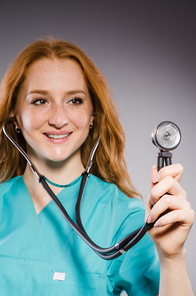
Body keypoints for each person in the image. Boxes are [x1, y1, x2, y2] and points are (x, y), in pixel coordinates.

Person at [0, 38, 194, 296]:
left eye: (75, 101)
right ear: (14, 113)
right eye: (40, 101)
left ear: (93, 115)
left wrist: (173, 259)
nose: (58, 119)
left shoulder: (127, 219)